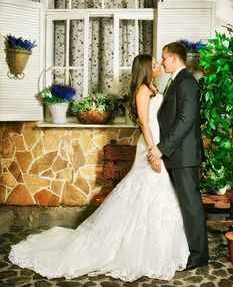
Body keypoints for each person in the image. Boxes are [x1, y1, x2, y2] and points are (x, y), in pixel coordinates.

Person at [9, 54, 189, 282]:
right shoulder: (143, 90)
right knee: (148, 187)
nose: (158, 66)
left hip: (158, 143)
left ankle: (156, 246)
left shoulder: (153, 87)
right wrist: (153, 150)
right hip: (149, 144)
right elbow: (143, 122)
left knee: (156, 191)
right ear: (145, 68)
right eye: (154, 64)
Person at [147, 42, 209, 270]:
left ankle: (199, 254)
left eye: (164, 58)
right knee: (181, 204)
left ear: (174, 59)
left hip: (183, 156)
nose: (161, 62)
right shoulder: (176, 81)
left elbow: (185, 120)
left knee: (191, 205)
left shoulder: (187, 83)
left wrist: (162, 147)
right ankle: (186, 247)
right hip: (176, 155)